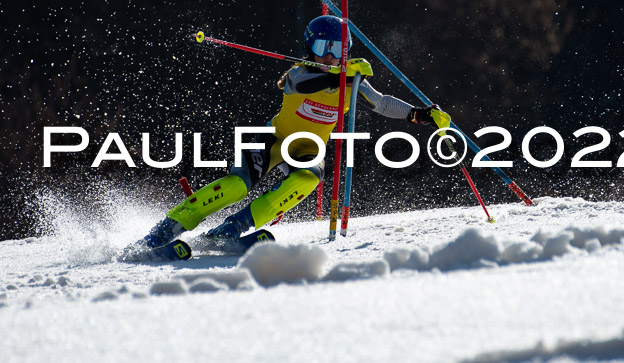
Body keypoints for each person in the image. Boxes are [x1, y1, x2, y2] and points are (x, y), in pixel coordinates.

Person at [139, 15, 450, 248]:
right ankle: (172, 225)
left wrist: (420, 115)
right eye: (323, 47)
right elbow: (305, 85)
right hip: (273, 140)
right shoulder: (300, 73)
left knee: (308, 178)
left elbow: (381, 103)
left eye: (338, 49)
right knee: (236, 186)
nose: (330, 55)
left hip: (309, 149)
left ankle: (233, 228)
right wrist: (339, 79)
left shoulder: (352, 83)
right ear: (309, 48)